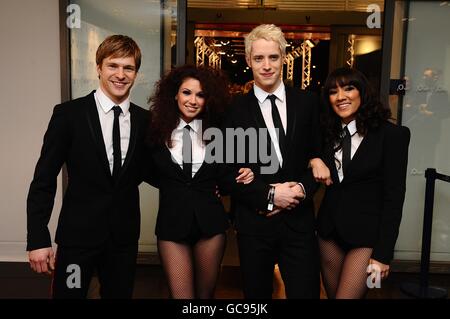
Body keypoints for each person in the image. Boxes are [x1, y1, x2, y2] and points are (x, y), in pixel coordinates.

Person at [26, 35, 149, 298]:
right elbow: (43, 180)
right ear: (98, 68)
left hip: (123, 241)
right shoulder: (69, 115)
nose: (120, 74)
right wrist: (38, 238)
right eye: (112, 65)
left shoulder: (145, 120)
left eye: (128, 68)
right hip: (77, 239)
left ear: (136, 73)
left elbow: (156, 172)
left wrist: (208, 181)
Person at [146, 65, 273, 298]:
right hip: (172, 226)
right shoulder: (154, 131)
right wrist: (174, 189)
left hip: (211, 227)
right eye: (187, 92)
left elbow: (229, 175)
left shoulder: (220, 132)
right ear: (174, 94)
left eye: (201, 95)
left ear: (208, 99)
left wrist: (248, 173)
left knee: (205, 297)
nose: (193, 100)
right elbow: (148, 172)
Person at [222, 24, 322, 298]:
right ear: (248, 60)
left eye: (273, 57)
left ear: (283, 57)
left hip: (299, 223)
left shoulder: (308, 103)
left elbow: (319, 157)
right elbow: (226, 172)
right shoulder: (232, 110)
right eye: (258, 58)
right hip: (254, 225)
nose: (266, 66)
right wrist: (270, 194)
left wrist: (300, 191)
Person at [312, 67, 410, 298]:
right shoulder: (325, 132)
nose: (341, 97)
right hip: (329, 234)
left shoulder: (392, 135)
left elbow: (394, 197)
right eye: (333, 92)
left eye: (349, 88)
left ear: (362, 92)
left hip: (367, 240)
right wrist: (313, 159)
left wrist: (383, 255)